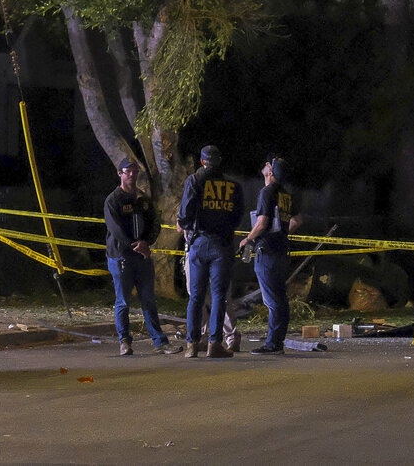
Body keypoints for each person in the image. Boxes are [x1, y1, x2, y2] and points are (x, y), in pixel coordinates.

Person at [103, 158, 182, 356]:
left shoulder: (143, 200)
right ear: (120, 173)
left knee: (149, 299)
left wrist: (147, 242)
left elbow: (155, 223)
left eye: (135, 170)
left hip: (143, 257)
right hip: (121, 257)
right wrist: (136, 245)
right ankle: (124, 341)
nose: (132, 174)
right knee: (123, 301)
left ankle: (160, 342)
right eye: (128, 171)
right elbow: (117, 230)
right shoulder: (113, 200)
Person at [177, 145, 244, 358]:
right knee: (219, 297)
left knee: (195, 297)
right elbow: (237, 216)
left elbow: (184, 215)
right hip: (222, 245)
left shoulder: (195, 181)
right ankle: (214, 344)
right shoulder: (233, 185)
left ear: (202, 161)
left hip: (198, 243)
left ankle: (191, 344)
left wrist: (189, 226)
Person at [239, 157, 302, 355]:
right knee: (280, 298)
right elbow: (298, 220)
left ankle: (273, 344)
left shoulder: (266, 192)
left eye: (269, 164)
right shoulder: (285, 194)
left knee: (272, 301)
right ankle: (277, 341)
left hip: (266, 252)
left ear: (271, 172)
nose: (265, 164)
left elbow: (262, 222)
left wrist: (247, 239)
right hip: (281, 251)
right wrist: (282, 233)